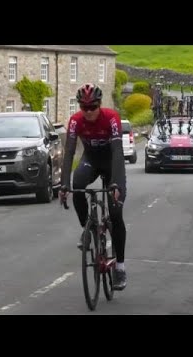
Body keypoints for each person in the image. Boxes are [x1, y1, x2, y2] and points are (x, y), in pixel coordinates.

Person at [59, 83, 127, 291]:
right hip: (90, 160)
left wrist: (115, 182)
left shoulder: (111, 117)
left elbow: (117, 151)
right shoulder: (75, 121)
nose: (88, 112)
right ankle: (87, 230)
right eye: (84, 108)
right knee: (77, 185)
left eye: (92, 107)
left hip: (112, 163)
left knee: (115, 213)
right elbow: (69, 152)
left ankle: (120, 268)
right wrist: (63, 185)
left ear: (99, 105)